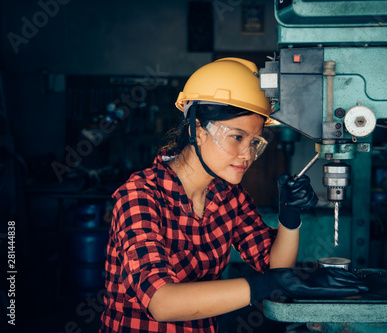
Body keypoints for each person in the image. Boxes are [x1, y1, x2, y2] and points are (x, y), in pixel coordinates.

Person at [99, 58, 367, 332]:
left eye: (254, 142)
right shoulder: (140, 195)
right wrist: (269, 285)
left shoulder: (229, 197)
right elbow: (161, 302)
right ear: (199, 131)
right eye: (237, 137)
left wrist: (289, 215)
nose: (248, 154)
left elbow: (275, 265)